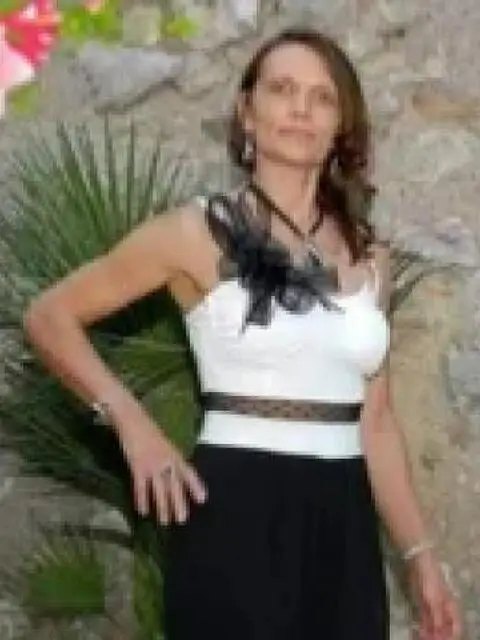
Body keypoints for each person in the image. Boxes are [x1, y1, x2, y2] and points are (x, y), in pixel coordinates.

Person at [22, 27, 462, 640]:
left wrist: (419, 557)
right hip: (235, 513)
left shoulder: (371, 258)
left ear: (341, 125)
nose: (301, 108)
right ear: (247, 112)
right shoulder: (194, 233)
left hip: (344, 525)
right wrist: (131, 422)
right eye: (282, 90)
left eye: (322, 97)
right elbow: (49, 316)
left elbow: (378, 422)